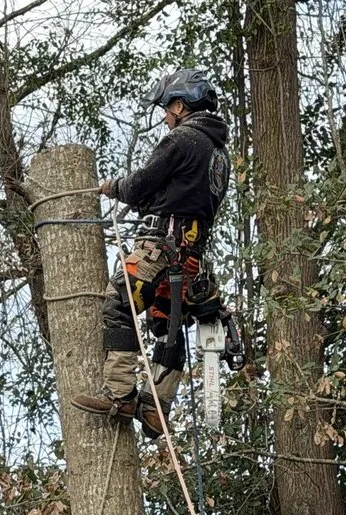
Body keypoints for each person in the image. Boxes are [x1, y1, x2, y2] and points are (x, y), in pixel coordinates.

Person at [71, 68, 231, 437]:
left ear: (180, 104)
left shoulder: (183, 139)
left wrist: (115, 188)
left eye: (167, 108)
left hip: (162, 246)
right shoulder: (219, 155)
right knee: (166, 322)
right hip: (192, 257)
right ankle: (158, 406)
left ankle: (121, 393)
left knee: (118, 303)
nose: (165, 116)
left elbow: (143, 182)